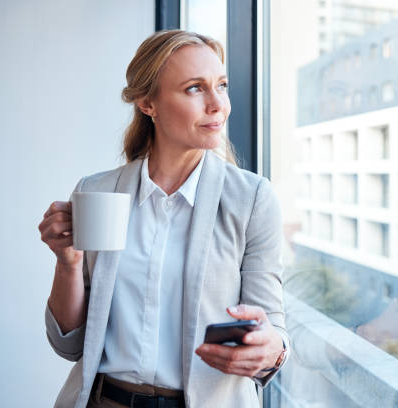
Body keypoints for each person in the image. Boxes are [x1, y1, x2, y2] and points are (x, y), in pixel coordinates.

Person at [38, 30, 288, 408]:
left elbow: (273, 332)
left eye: (221, 85)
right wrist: (67, 262)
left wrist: (272, 349)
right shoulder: (98, 192)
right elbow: (69, 344)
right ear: (147, 103)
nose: (217, 104)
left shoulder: (252, 200)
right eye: (194, 88)